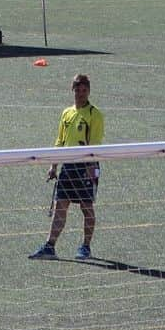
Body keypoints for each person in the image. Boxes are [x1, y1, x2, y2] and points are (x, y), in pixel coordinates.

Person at [29, 74, 104, 261]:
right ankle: (50, 246)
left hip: (87, 167)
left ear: (89, 91)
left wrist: (90, 166)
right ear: (73, 90)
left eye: (84, 90)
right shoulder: (67, 113)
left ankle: (86, 247)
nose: (80, 94)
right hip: (67, 167)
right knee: (60, 206)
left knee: (87, 207)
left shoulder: (95, 115)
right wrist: (53, 165)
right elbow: (60, 141)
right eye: (77, 90)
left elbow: (95, 143)